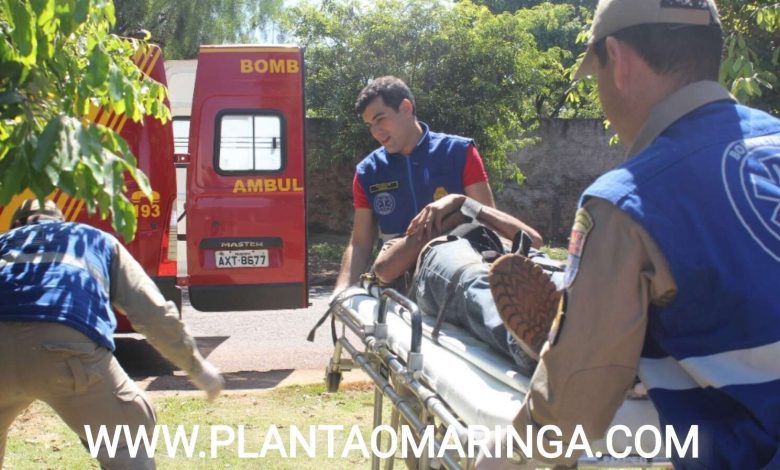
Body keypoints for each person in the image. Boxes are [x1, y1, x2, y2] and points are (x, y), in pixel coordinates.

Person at [480, 0, 780, 468]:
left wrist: (504, 455)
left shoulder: (625, 203)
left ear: (616, 61)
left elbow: (569, 416)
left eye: (595, 74)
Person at [0, 199, 224, 469]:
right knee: (127, 435)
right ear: (61, 221)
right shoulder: (95, 240)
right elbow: (153, 313)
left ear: (16, 225)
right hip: (67, 352)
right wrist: (196, 367)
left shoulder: (4, 243)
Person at [333, 76, 496, 299]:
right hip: (397, 286)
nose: (375, 132)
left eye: (380, 119)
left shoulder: (459, 152)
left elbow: (489, 220)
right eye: (370, 125)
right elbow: (360, 243)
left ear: (406, 108)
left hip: (460, 281)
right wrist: (341, 292)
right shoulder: (367, 172)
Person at [372, 193, 562, 375]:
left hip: (502, 249)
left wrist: (465, 202)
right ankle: (527, 342)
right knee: (473, 277)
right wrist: (433, 226)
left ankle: (578, 315)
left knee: (556, 272)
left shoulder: (477, 217)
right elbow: (384, 270)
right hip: (446, 249)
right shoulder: (406, 236)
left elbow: (533, 240)